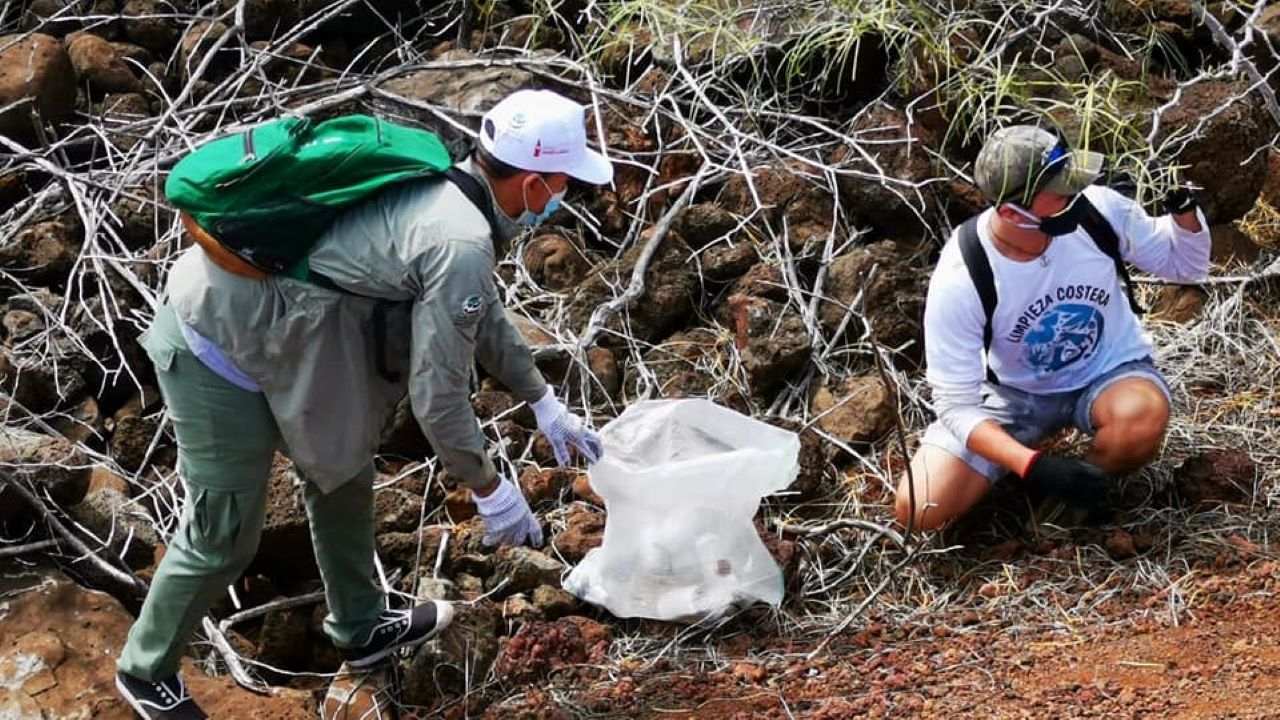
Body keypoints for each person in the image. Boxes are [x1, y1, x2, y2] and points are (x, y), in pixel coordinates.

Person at [115, 89, 614, 719]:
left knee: (343, 472)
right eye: (566, 183)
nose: (568, 197)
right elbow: (437, 400)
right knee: (225, 533)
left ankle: (361, 622)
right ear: (536, 183)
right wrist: (491, 489)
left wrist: (543, 401)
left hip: (291, 335)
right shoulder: (460, 239)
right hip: (217, 342)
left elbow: (481, 312)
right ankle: (144, 669)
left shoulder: (453, 191)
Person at [896, 125, 1209, 532]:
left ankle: (1065, 508)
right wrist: (1033, 465)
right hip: (1015, 394)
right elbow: (955, 405)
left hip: (1106, 372)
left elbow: (1187, 266)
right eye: (1061, 193)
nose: (1075, 197)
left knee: (1140, 418)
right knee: (920, 507)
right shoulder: (965, 272)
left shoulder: (1098, 210)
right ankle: (1033, 475)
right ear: (1012, 212)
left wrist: (1183, 210)